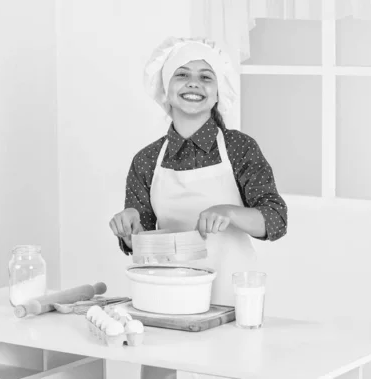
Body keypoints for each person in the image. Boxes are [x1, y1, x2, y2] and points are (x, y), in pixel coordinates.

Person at [108, 37, 288, 379]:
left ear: (219, 92)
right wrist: (130, 227)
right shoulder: (146, 160)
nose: (194, 83)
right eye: (182, 74)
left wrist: (231, 212)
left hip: (230, 306)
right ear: (166, 89)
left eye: (206, 76)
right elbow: (142, 242)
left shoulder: (239, 148)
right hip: (165, 304)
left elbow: (276, 220)